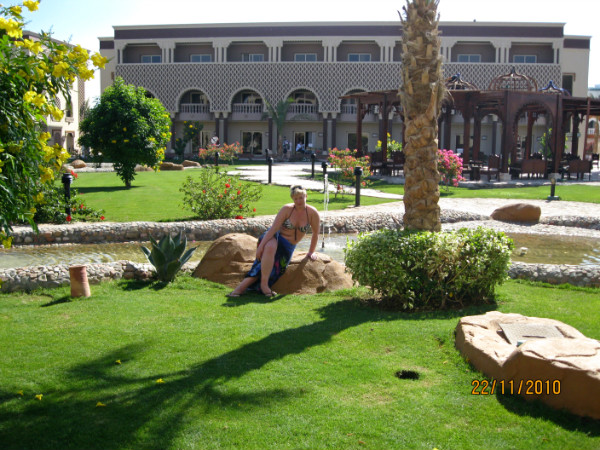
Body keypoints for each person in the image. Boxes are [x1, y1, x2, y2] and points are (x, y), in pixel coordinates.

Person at [228, 185, 321, 297]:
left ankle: (242, 289)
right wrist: (260, 247)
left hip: (288, 246)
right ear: (292, 199)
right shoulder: (287, 209)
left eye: (301, 197)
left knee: (273, 264)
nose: (298, 201)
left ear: (306, 196)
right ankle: (261, 286)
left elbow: (315, 233)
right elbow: (273, 229)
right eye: (295, 198)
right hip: (275, 236)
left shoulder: (312, 213)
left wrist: (311, 252)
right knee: (270, 247)